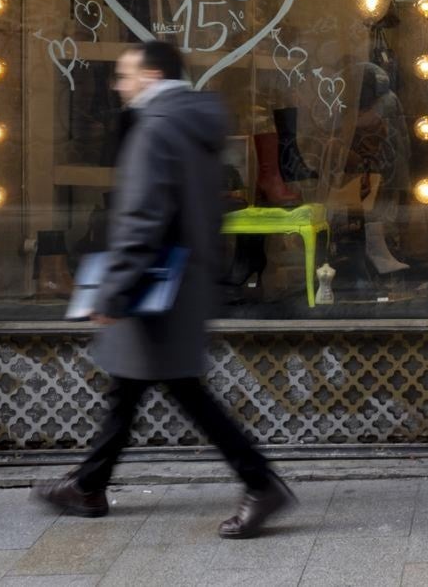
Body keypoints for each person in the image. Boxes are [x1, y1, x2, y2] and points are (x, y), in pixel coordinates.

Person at [33, 41, 296, 539]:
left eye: (125, 74)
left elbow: (142, 216)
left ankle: (261, 483)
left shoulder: (156, 127)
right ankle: (89, 485)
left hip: (153, 288)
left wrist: (113, 292)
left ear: (151, 75)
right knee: (129, 389)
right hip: (180, 281)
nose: (118, 85)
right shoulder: (195, 123)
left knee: (184, 393)